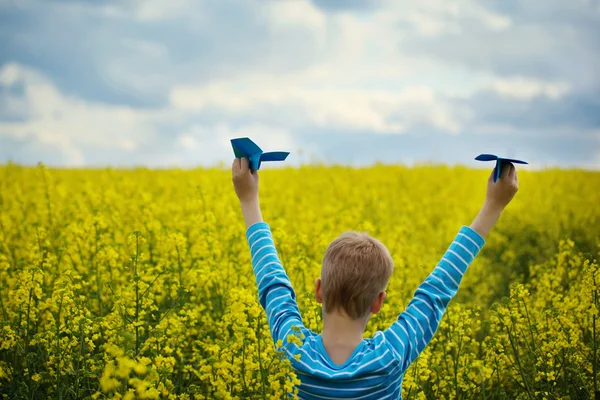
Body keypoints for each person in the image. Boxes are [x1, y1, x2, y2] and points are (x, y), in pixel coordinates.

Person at [231, 157, 519, 399]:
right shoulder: (389, 356)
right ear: (379, 302)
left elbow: (272, 284)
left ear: (319, 290)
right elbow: (436, 291)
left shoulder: (294, 351)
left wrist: (248, 198)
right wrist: (493, 205)